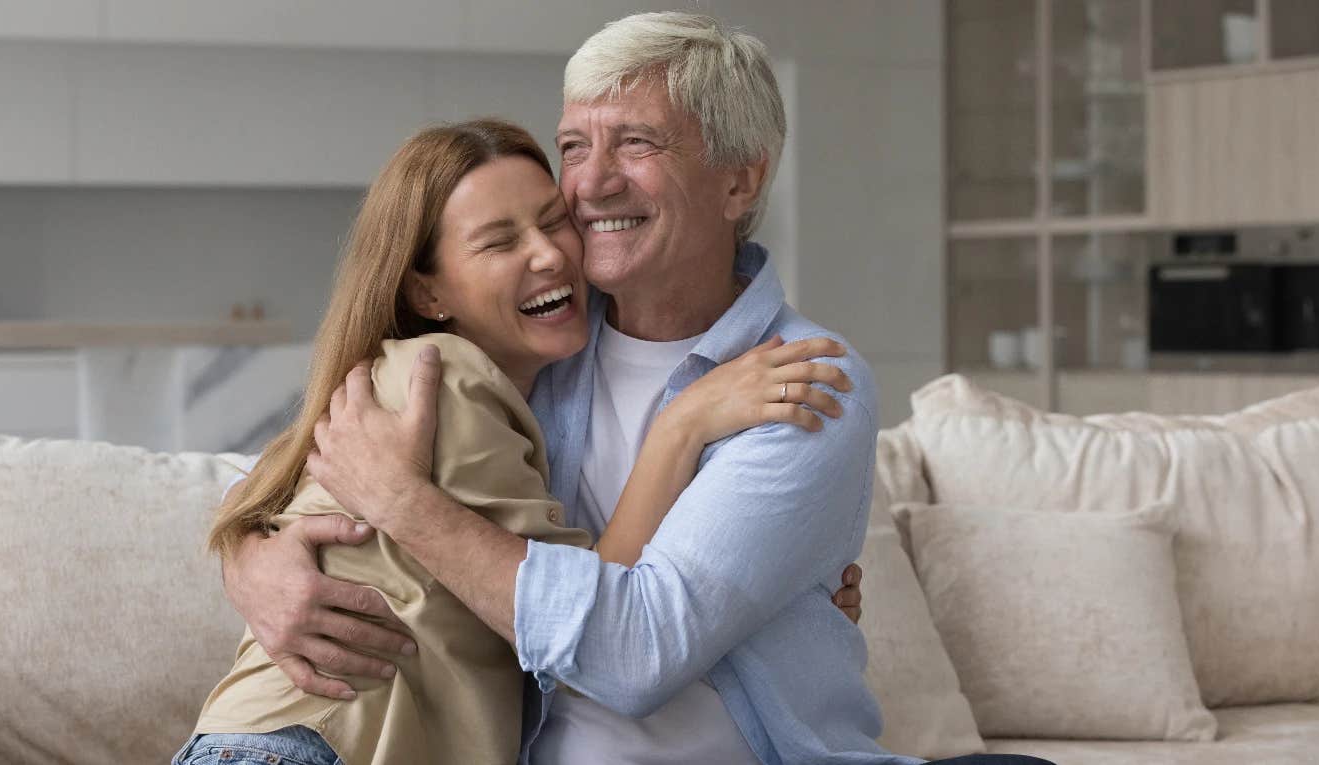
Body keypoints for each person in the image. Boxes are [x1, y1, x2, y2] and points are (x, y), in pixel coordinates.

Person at [224, 12, 1050, 765]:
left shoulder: (802, 379)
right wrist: (250, 559)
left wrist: (407, 505)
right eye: (575, 145)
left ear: (740, 183)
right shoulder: (532, 347)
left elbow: (632, 654)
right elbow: (298, 486)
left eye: (637, 143)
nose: (590, 183)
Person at [174, 120, 852, 765]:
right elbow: (588, 636)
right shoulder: (444, 383)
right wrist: (683, 425)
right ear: (427, 289)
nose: (549, 253)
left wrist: (789, 611)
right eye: (500, 242)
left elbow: (266, 482)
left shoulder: (447, 383)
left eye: (553, 221)